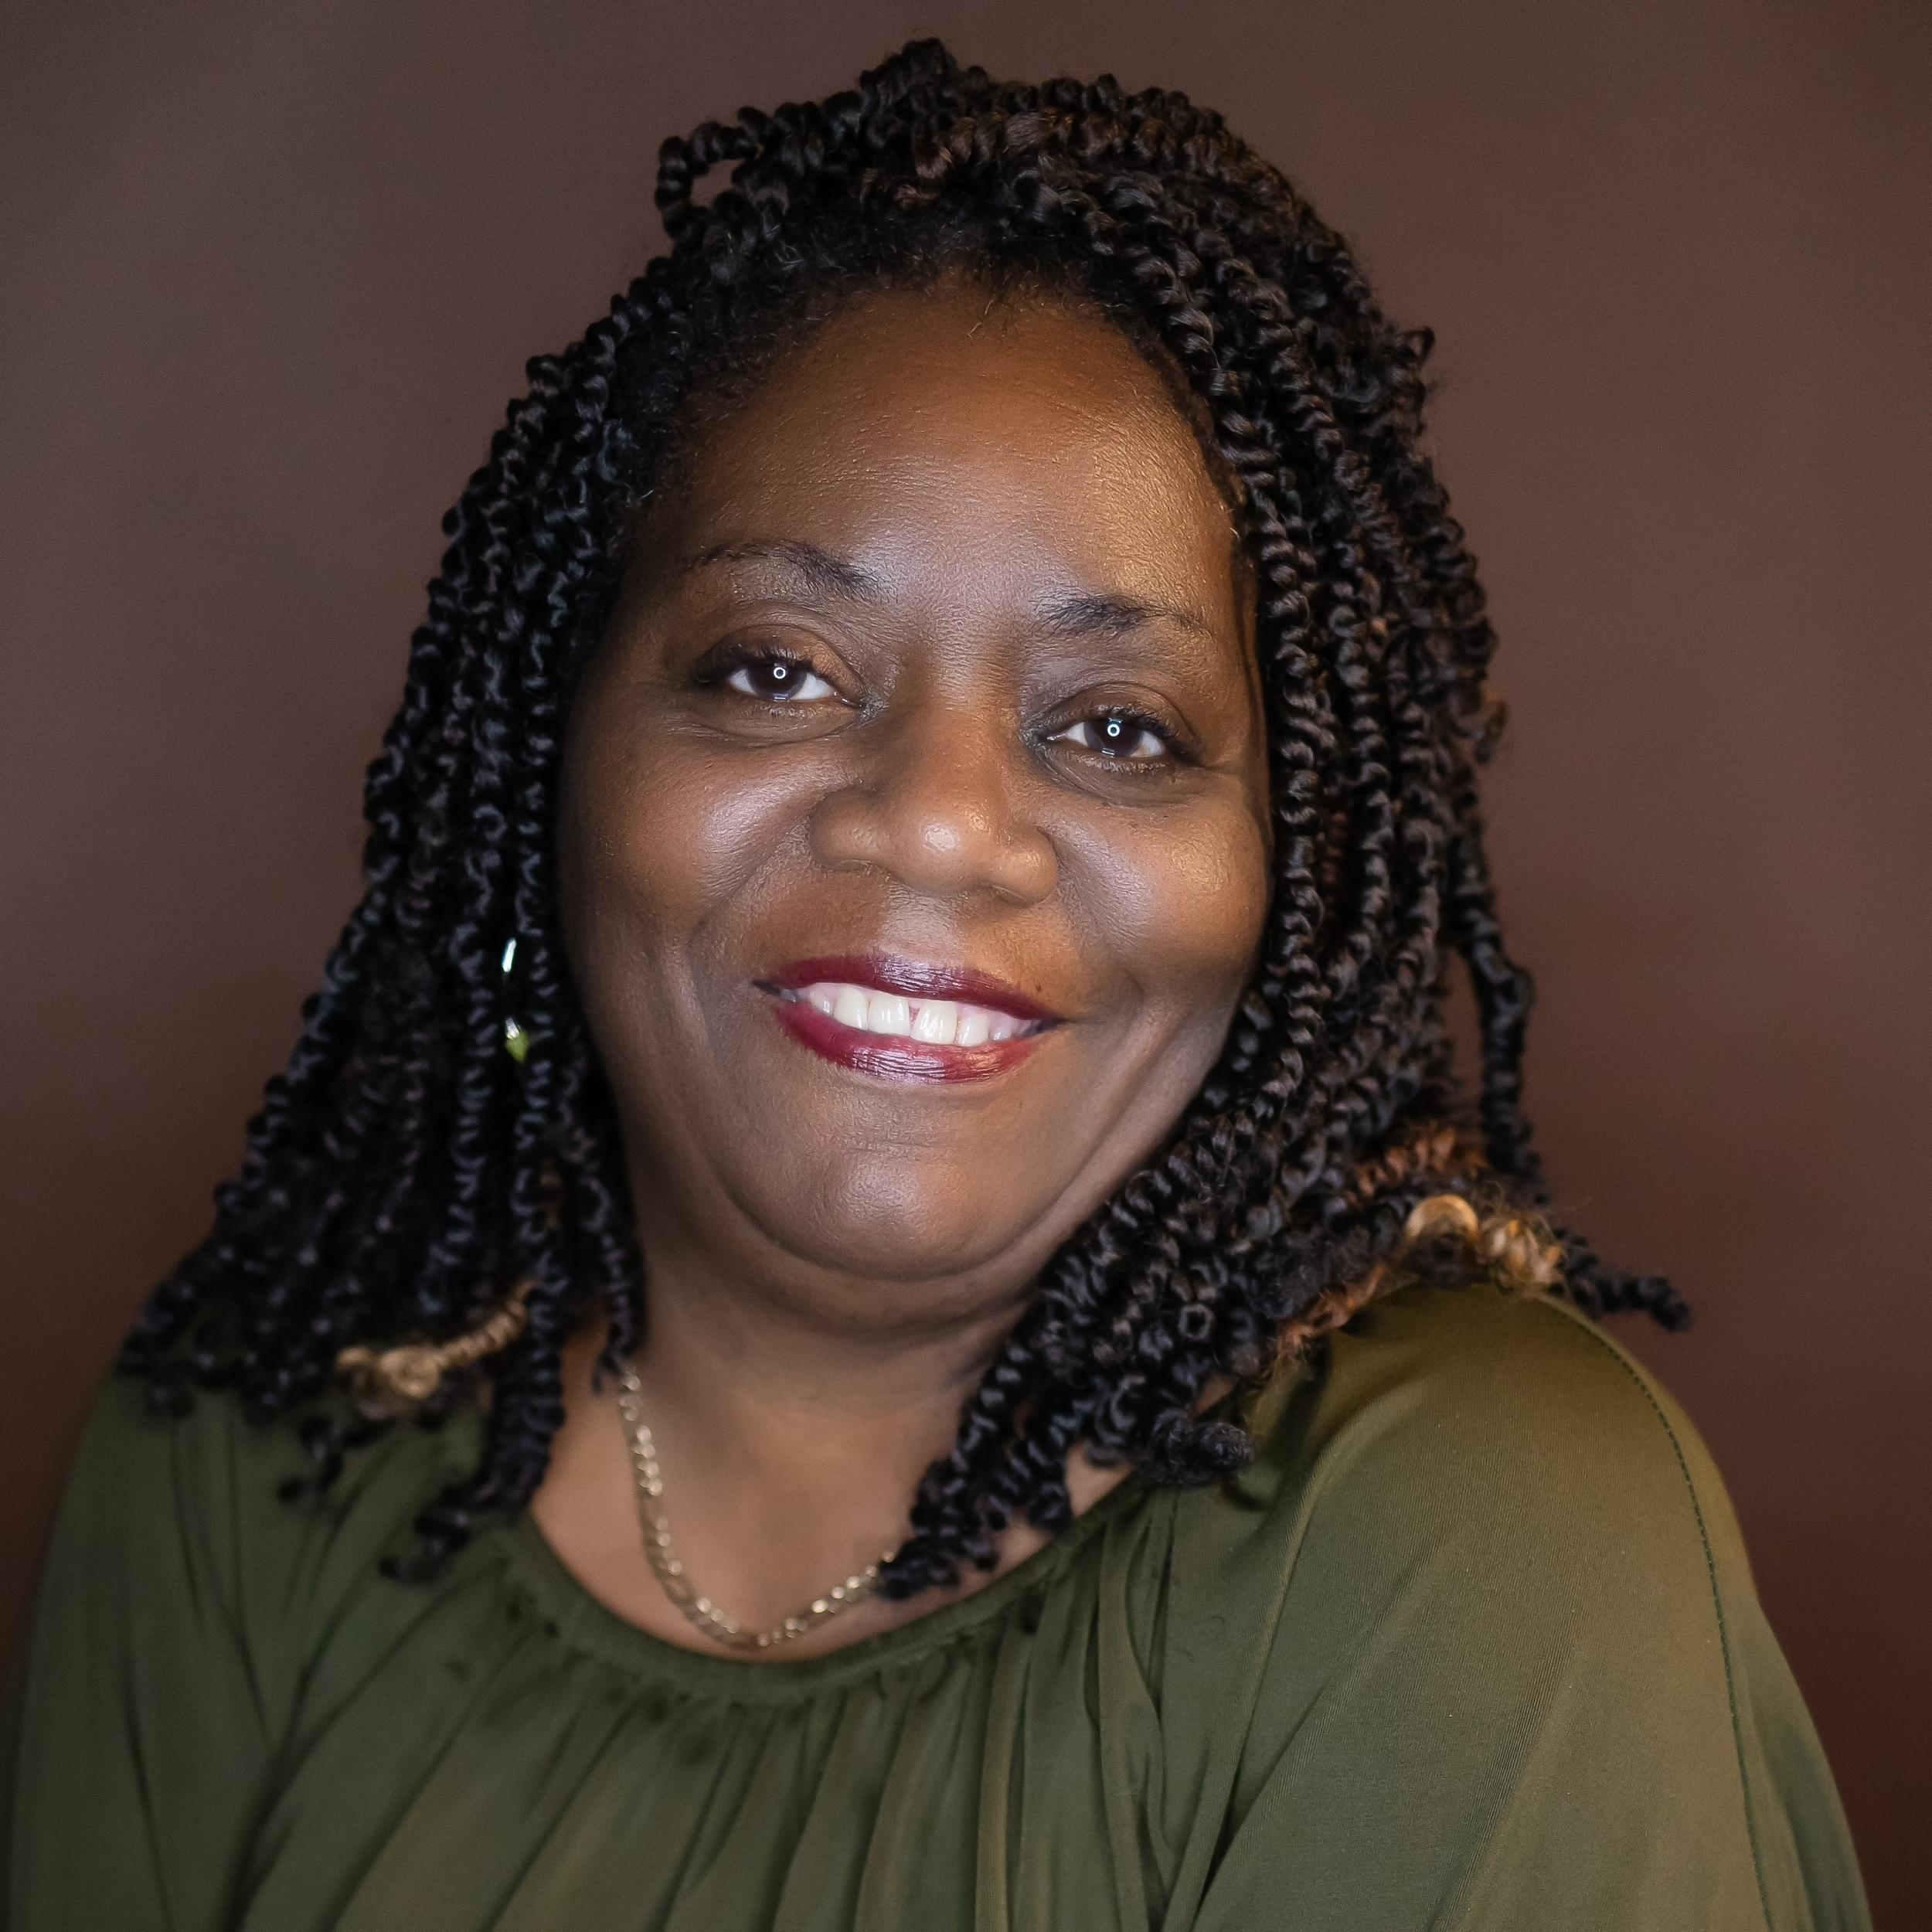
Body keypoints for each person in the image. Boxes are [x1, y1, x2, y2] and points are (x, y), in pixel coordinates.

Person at [2, 38, 1867, 1932]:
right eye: (777, 669)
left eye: (1117, 725)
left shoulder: (1472, 1535)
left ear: (1289, 877)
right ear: (550, 752)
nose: (937, 823)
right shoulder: (258, 1451)